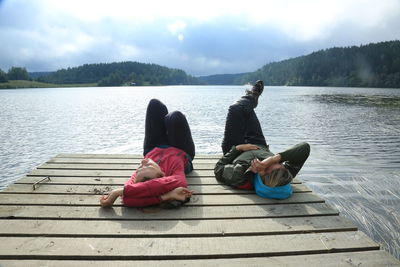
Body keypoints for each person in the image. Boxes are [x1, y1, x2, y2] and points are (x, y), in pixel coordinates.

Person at [214, 80, 310, 199]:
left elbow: (218, 168)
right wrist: (273, 159)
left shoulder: (239, 176)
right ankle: (252, 98)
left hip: (235, 146)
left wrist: (238, 148)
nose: (270, 161)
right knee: (246, 109)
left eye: (268, 165)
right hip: (258, 142)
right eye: (279, 163)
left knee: (236, 108)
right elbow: (305, 147)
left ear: (262, 174)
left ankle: (251, 96)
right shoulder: (285, 174)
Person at [100, 99, 195, 207]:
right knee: (174, 117)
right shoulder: (175, 169)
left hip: (153, 148)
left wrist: (117, 193)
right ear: (162, 175)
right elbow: (180, 183)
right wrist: (166, 196)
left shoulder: (139, 176)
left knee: (154, 104)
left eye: (140, 167)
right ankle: (170, 124)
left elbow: (127, 200)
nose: (143, 161)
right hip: (181, 149)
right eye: (147, 165)